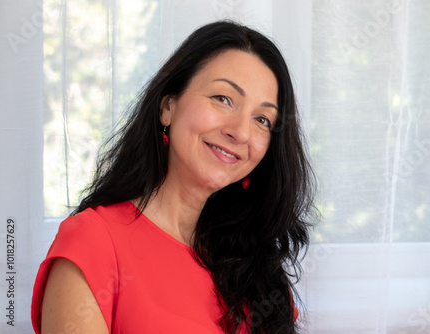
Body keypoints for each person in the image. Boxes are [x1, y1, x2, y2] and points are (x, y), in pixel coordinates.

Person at [31, 20, 315, 334]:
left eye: (262, 119)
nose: (240, 132)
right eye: (222, 99)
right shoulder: (94, 242)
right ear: (168, 106)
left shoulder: (260, 270)